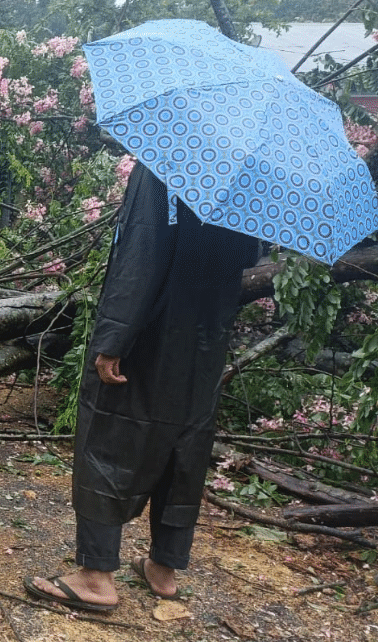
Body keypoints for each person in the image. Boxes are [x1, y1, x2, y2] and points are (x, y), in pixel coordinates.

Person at [24, 162, 260, 611]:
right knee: (184, 444)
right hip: (204, 341)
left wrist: (113, 337)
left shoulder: (165, 165)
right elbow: (247, 258)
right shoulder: (244, 179)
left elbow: (141, 253)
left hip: (150, 333)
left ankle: (95, 576)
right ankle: (164, 568)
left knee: (109, 437)